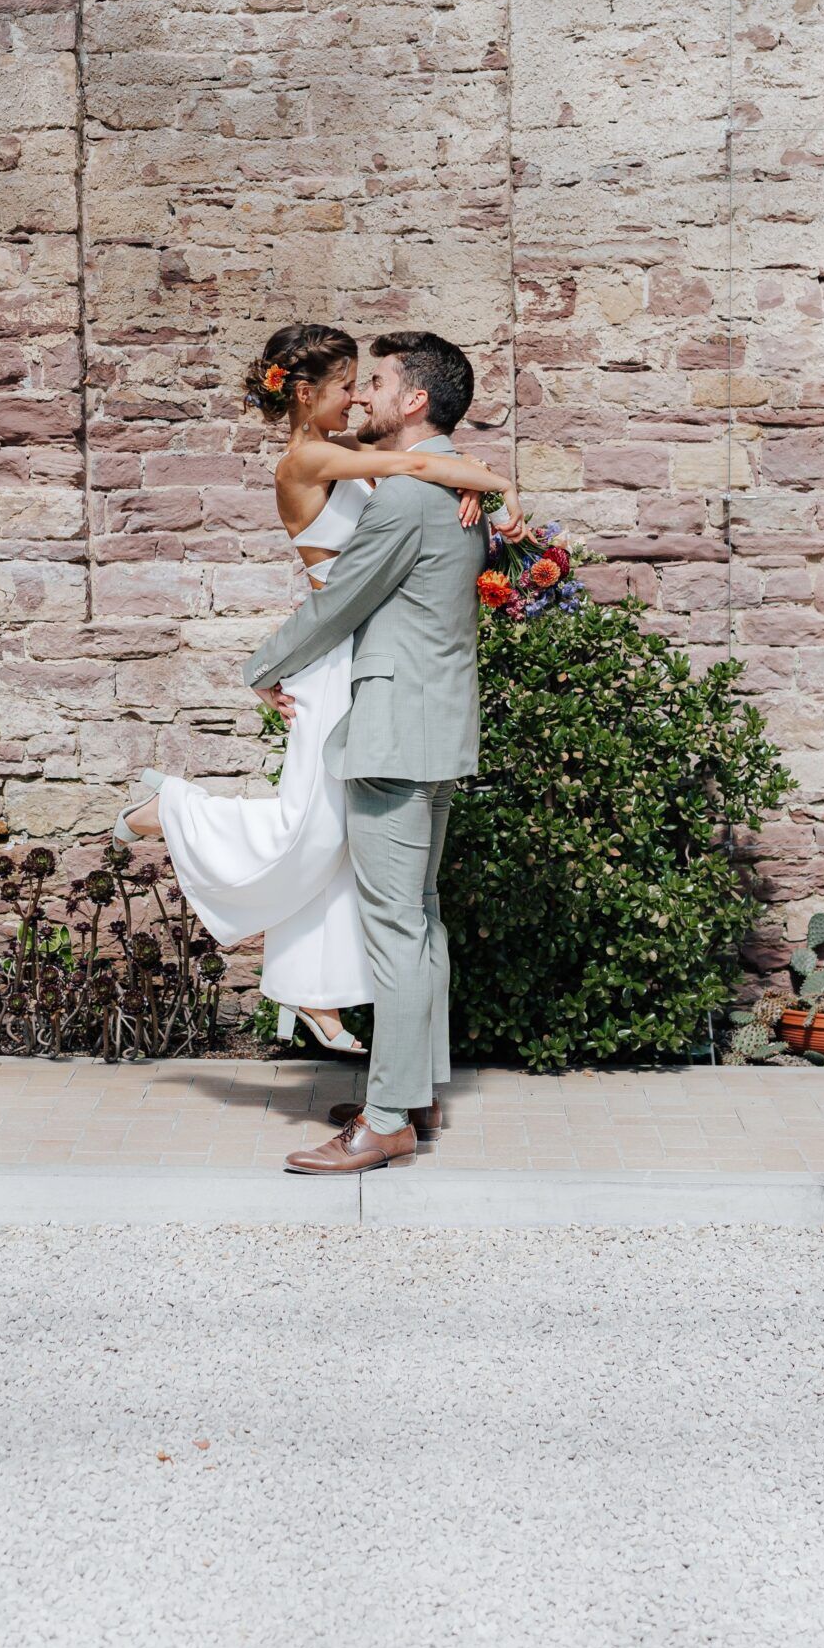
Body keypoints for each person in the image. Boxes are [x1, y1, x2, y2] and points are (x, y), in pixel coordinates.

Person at [115, 323, 516, 1058]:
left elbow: (420, 467)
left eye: (367, 384)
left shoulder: (360, 455)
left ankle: (312, 992)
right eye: (343, 387)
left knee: (334, 836)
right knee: (317, 828)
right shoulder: (305, 458)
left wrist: (472, 488)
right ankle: (168, 811)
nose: (356, 396)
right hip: (331, 657)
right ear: (305, 394)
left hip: (363, 653)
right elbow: (424, 473)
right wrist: (493, 485)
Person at [241, 328, 498, 1176]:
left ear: (414, 400)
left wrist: (258, 670)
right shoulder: (453, 490)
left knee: (396, 925)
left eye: (377, 382)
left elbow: (338, 603)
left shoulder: (407, 496)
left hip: (390, 727)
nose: (364, 396)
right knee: (418, 919)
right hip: (438, 722)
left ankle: (386, 1118)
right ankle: (415, 1090)